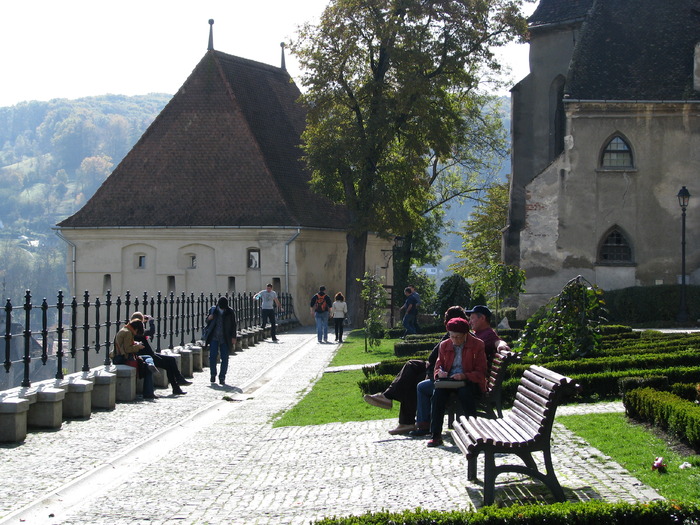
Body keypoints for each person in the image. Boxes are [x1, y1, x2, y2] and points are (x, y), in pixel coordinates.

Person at [363, 306, 468, 435]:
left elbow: (434, 357)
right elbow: (434, 357)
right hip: (437, 370)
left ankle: (401, 416)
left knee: (412, 376)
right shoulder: (453, 334)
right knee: (411, 365)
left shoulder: (457, 335)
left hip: (445, 374)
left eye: (446, 318)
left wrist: (431, 373)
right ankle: (392, 404)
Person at [428, 317, 487, 447]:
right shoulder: (445, 345)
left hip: (468, 380)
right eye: (452, 336)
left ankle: (472, 433)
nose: (454, 340)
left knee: (465, 393)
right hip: (449, 380)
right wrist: (440, 373)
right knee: (437, 395)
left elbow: (481, 371)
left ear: (466, 334)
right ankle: (435, 435)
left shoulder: (477, 344)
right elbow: (437, 367)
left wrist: (464, 375)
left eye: (458, 337)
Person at [131, 312, 190, 396]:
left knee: (171, 360)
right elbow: (151, 332)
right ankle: (177, 384)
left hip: (151, 354)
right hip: (147, 357)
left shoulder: (136, 329)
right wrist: (151, 322)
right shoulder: (136, 331)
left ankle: (178, 382)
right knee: (169, 364)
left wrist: (145, 321)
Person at [112, 319, 156, 400]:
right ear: (136, 329)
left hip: (122, 357)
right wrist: (138, 347)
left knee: (148, 359)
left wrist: (136, 343)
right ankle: (148, 392)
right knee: (148, 366)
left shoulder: (125, 330)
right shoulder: (128, 333)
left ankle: (150, 364)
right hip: (124, 358)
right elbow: (128, 349)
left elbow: (126, 344)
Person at [205, 297, 237, 385]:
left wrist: (233, 337)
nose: (222, 309)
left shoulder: (230, 312)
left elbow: (234, 324)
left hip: (225, 337)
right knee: (212, 356)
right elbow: (207, 321)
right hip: (214, 336)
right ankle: (213, 374)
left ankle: (222, 377)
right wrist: (209, 318)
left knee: (225, 358)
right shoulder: (213, 310)